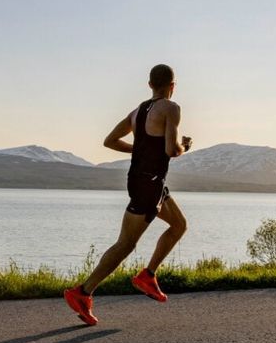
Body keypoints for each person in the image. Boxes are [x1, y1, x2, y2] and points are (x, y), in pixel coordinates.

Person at [64, 64, 191, 326]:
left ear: (149, 84)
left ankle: (148, 275)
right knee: (126, 244)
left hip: (143, 181)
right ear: (173, 86)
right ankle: (83, 292)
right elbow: (171, 149)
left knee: (179, 224)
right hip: (149, 184)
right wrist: (184, 146)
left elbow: (109, 141)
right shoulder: (171, 108)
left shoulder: (137, 111)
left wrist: (140, 149)